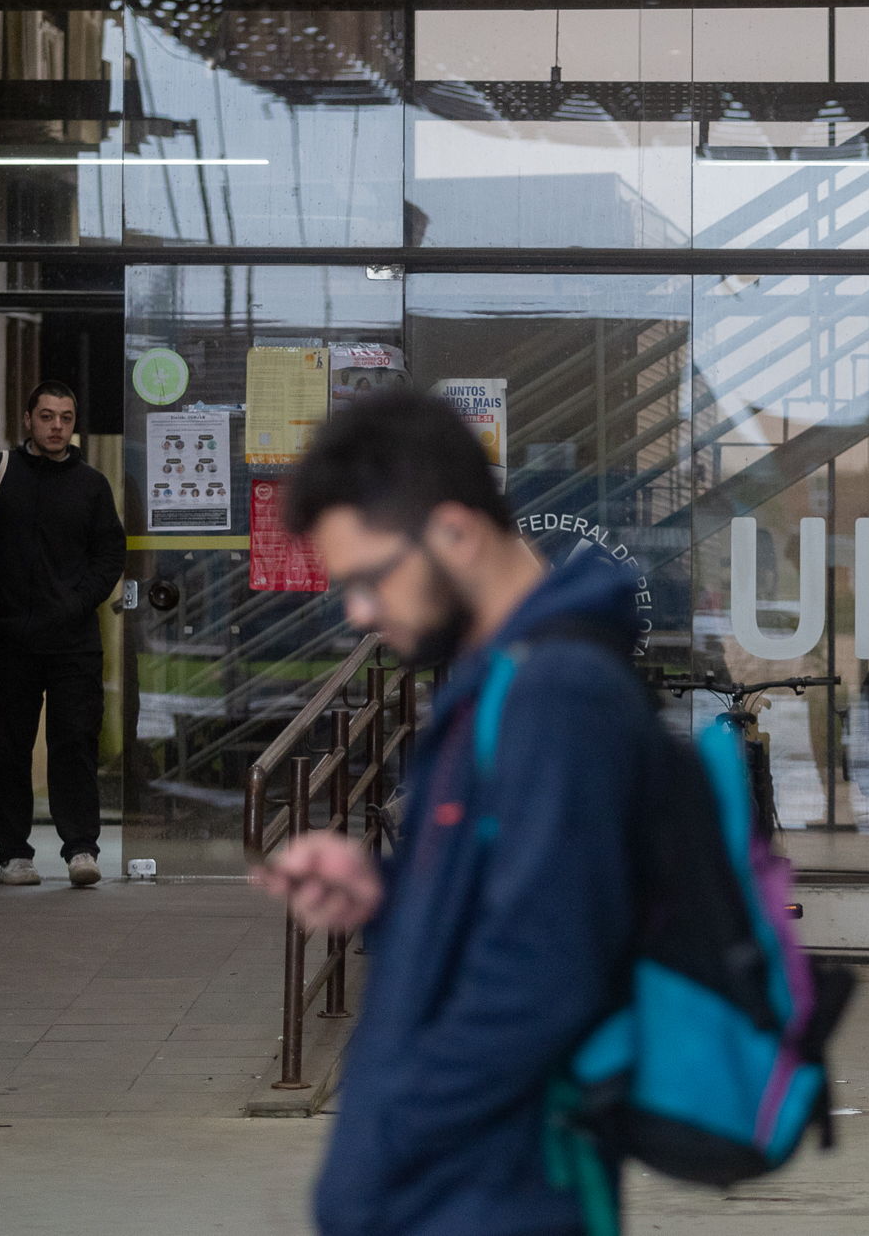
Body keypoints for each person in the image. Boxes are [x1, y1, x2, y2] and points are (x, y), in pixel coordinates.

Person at [257, 391, 658, 1236]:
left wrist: (395, 1130)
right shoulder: (497, 679)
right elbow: (503, 901)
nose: (359, 612)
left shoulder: (557, 695)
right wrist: (384, 891)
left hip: (493, 1197)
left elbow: (547, 974)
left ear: (454, 532)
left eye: (368, 577)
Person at [0, 380, 127, 888]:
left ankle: (81, 848)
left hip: (74, 642)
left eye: (65, 417)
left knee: (75, 744)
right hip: (10, 641)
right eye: (46, 416)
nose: (56, 426)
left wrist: (77, 601)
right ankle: (14, 854)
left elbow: (110, 554)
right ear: (27, 420)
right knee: (8, 748)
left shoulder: (92, 485)